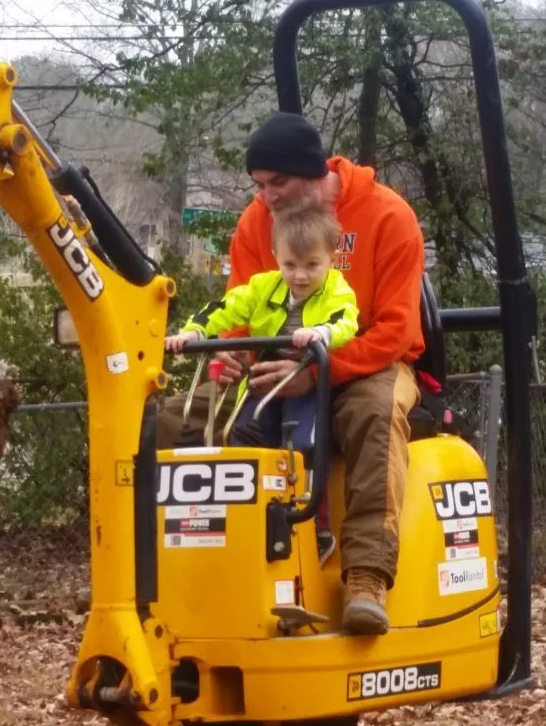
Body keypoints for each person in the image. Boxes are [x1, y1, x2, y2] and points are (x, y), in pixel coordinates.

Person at [158, 111, 425, 636]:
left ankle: (366, 578)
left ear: (314, 170)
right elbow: (239, 307)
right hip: (272, 363)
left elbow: (396, 329)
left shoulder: (388, 217)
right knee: (172, 422)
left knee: (376, 413)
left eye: (278, 182)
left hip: (364, 361)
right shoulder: (255, 224)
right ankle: (180, 573)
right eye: (259, 185)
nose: (268, 197)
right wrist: (229, 355)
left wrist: (321, 372)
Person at [166, 203, 359, 565]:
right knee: (244, 436)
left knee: (303, 445)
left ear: (330, 259)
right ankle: (248, 522)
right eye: (290, 266)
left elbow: (346, 319)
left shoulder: (336, 289)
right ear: (276, 258)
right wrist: (193, 331)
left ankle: (317, 530)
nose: (300, 276)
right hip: (267, 377)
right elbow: (223, 307)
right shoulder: (262, 287)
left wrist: (321, 333)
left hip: (306, 377)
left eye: (311, 266)